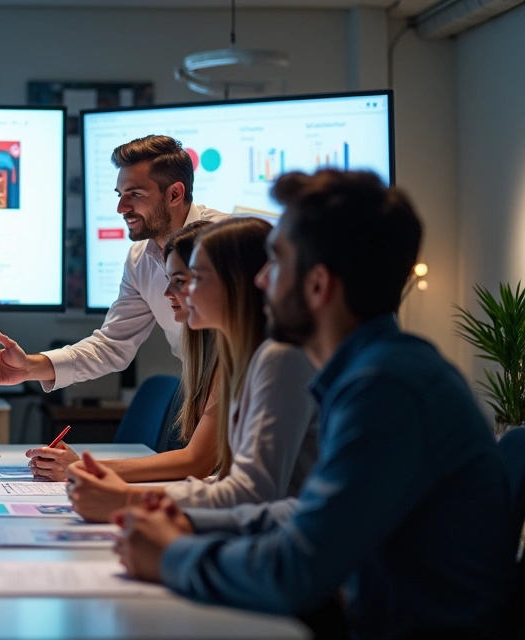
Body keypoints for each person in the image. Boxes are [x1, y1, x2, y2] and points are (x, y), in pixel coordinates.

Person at [115, 171, 518, 639]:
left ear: (318, 285)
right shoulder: (372, 371)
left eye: (276, 261)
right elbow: (306, 511)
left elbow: (298, 569)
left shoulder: (387, 388)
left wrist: (171, 555)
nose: (260, 280)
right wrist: (187, 520)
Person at [67, 217, 318, 522]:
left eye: (192, 278)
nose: (174, 293)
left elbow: (252, 494)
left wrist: (129, 500)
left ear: (237, 281)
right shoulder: (243, 357)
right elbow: (231, 484)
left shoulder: (281, 358)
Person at [0, 135, 226, 391]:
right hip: (203, 390)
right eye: (120, 195)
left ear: (175, 194)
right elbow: (112, 345)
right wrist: (28, 368)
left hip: (242, 386)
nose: (121, 208)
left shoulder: (230, 241)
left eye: (135, 194)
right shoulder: (140, 259)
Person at [27, 220, 221, 483]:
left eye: (179, 281)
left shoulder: (241, 359)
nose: (166, 293)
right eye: (168, 281)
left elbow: (196, 462)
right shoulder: (209, 352)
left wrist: (82, 468)